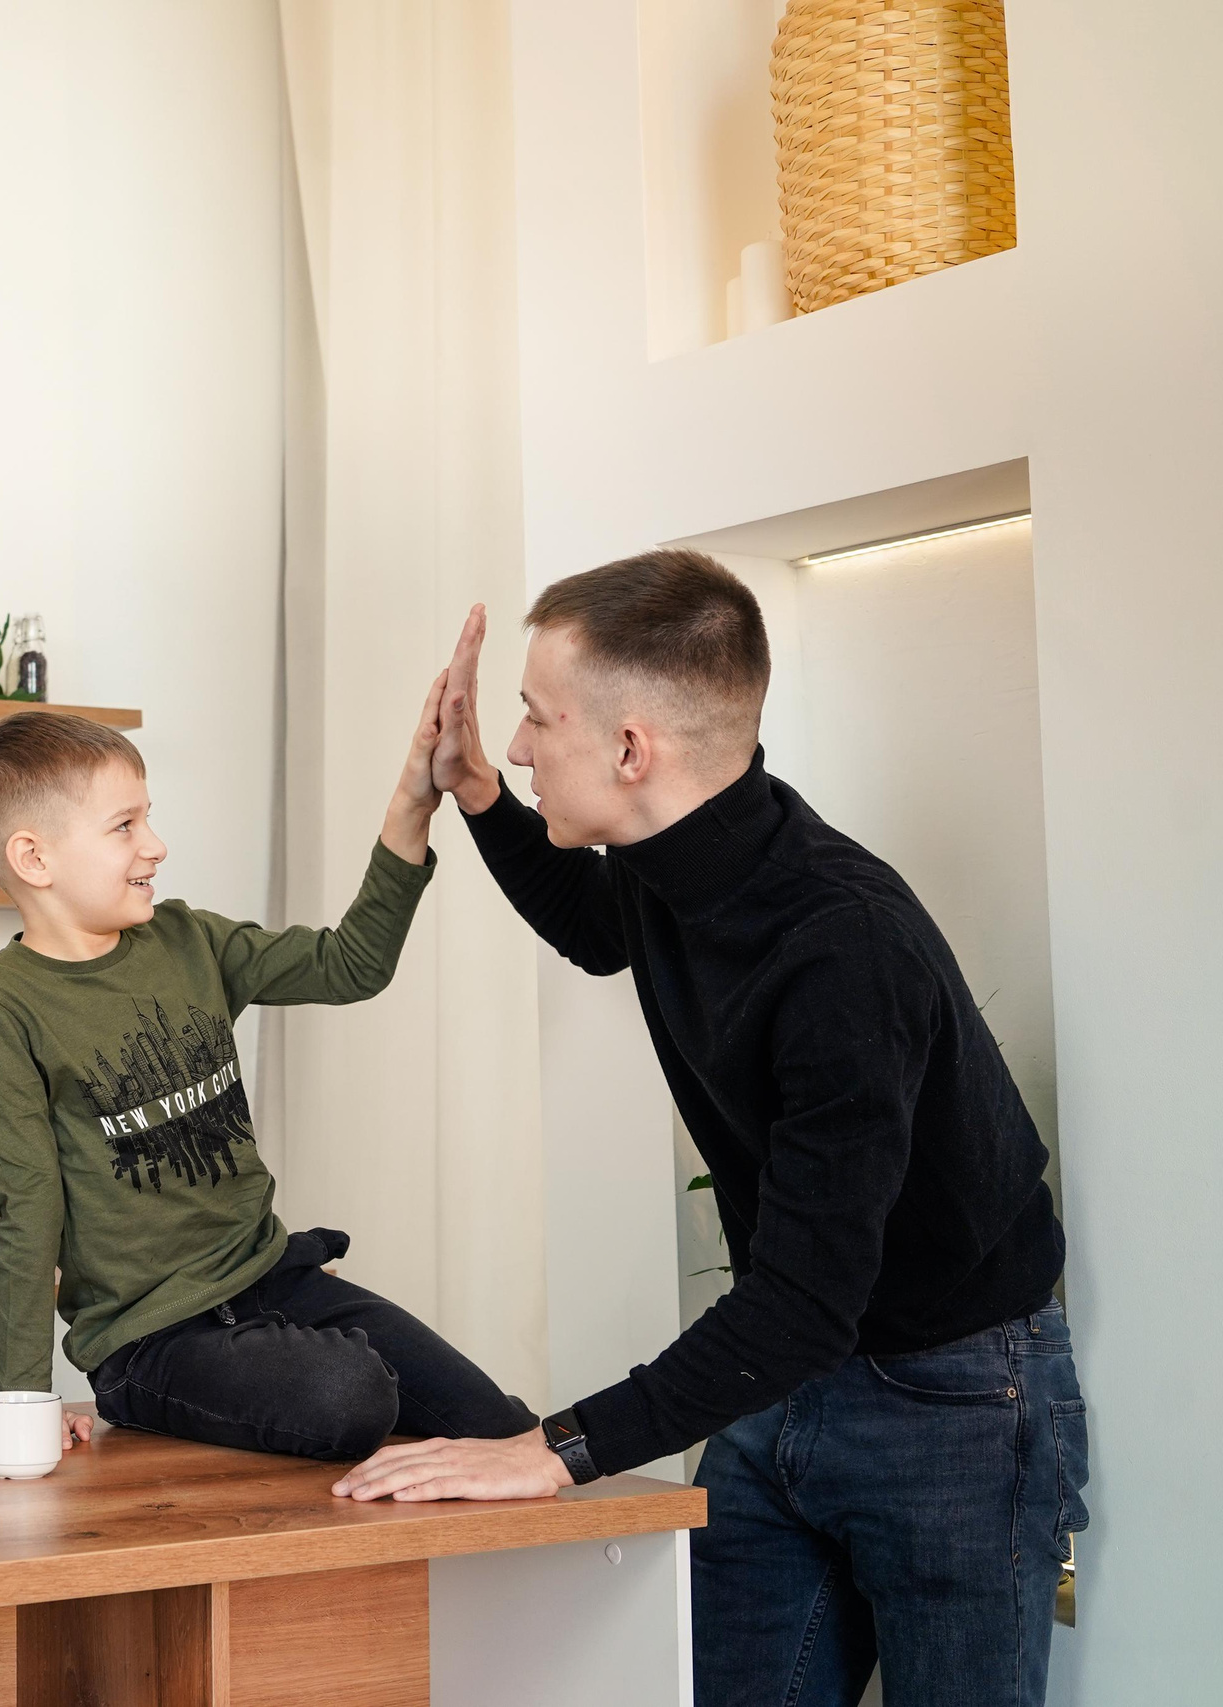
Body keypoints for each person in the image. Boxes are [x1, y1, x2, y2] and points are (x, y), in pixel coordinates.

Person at [337, 551, 1087, 1707]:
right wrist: (477, 793)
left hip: (953, 1400)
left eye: (537, 719)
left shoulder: (843, 946)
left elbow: (801, 1298)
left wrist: (552, 1449)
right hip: (786, 1377)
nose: (525, 743)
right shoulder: (673, 854)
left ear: (632, 750)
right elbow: (597, 927)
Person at [0, 710, 539, 1461]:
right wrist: (21, 1403)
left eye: (148, 818)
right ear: (34, 857)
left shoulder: (189, 939)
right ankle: (165, 1401)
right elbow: (29, 1213)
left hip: (273, 1280)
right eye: (124, 825)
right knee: (352, 1394)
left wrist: (411, 806)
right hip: (152, 1339)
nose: (155, 845)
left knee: (506, 1429)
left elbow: (351, 964)